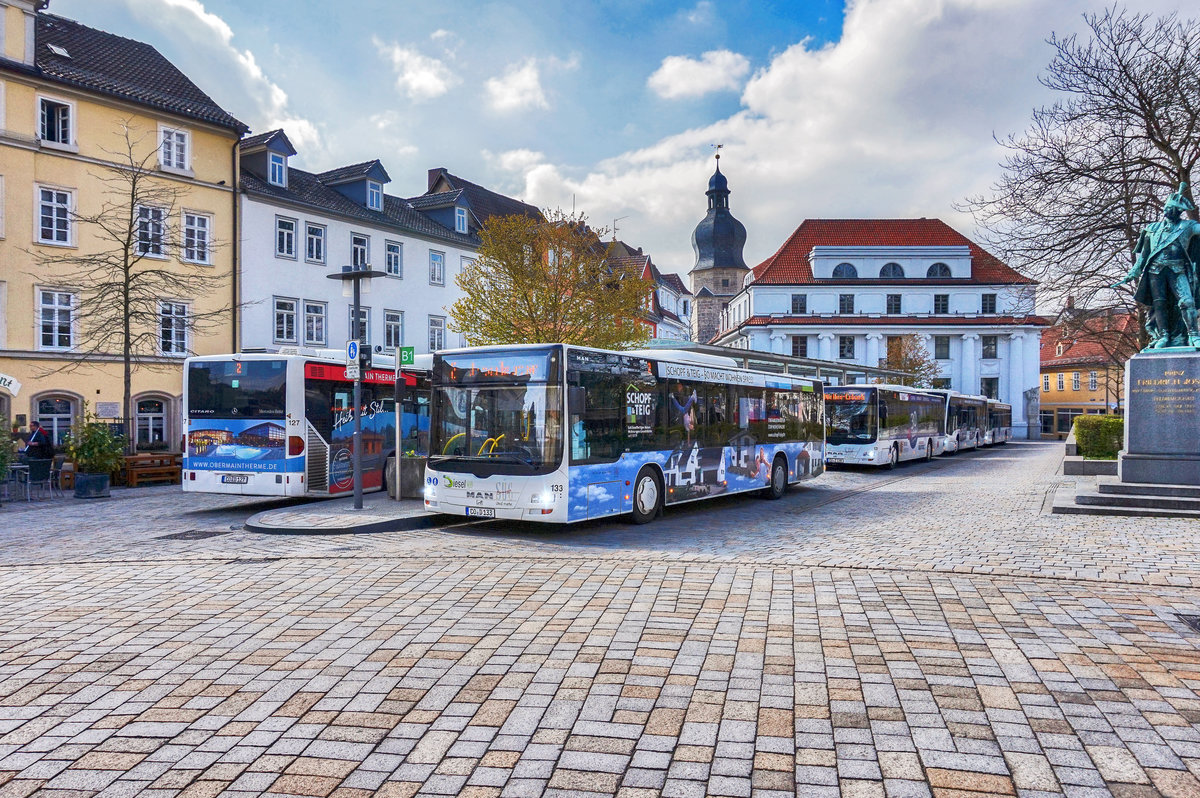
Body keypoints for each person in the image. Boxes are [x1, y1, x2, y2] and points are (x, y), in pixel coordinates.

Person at [1114, 182, 1200, 349]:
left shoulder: (1187, 226)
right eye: (1167, 208)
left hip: (1177, 270)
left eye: (1172, 208)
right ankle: (1163, 336)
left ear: (1178, 211)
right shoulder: (1152, 229)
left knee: (1187, 301)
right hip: (1155, 271)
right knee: (1159, 304)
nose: (1167, 211)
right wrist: (1133, 272)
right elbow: (1144, 256)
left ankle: (1194, 335)